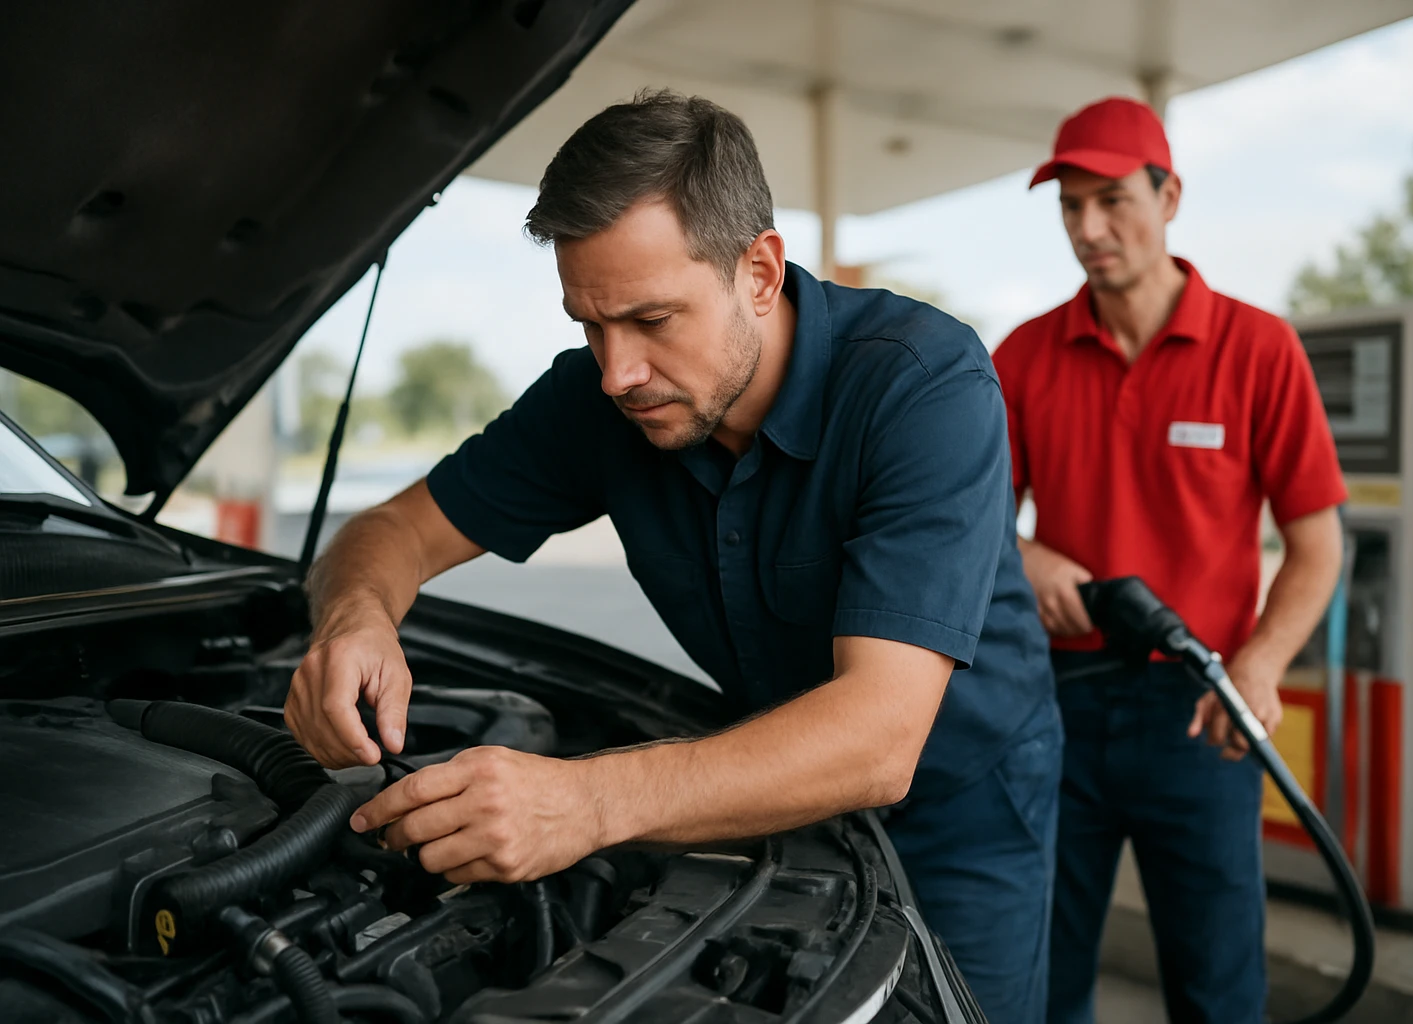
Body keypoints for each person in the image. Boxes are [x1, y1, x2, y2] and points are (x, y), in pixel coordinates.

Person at [284, 89, 1062, 1021]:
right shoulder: (596, 400)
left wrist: (585, 804)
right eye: (590, 324)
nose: (618, 372)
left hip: (965, 808)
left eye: (652, 320)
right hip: (759, 785)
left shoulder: (924, 386)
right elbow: (391, 531)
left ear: (759, 272)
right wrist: (357, 618)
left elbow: (879, 739)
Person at [991, 97, 1346, 1024]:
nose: (1088, 228)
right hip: (1055, 706)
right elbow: (970, 522)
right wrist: (1026, 555)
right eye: (1071, 206)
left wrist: (1259, 667)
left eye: (1112, 200)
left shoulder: (1259, 349)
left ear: (1170, 197)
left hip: (1204, 709)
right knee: (1040, 977)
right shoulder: (1023, 356)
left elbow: (1317, 545)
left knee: (1218, 985)